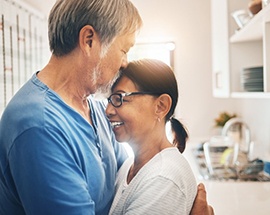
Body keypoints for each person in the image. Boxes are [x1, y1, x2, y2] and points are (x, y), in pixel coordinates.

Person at [0, 0, 213, 214]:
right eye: (124, 50)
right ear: (89, 40)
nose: (125, 63)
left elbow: (126, 184)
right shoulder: (39, 126)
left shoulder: (95, 110)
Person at [105, 59, 196, 214]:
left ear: (161, 106)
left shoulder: (163, 179)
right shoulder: (129, 165)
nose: (108, 110)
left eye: (119, 98)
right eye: (110, 99)